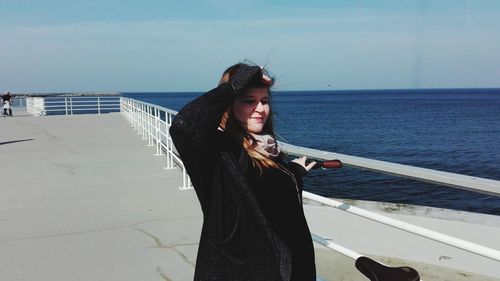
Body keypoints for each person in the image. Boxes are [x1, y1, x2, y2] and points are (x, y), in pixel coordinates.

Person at [169, 63, 317, 281]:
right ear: (229, 104)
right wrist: (237, 83)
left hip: (292, 269)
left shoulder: (266, 149)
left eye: (264, 101)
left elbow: (267, 191)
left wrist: (293, 170)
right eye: (249, 101)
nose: (260, 109)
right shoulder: (219, 152)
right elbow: (185, 126)